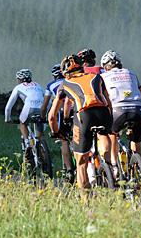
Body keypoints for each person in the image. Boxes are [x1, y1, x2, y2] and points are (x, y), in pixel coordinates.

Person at [48, 55, 112, 189]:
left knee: (81, 162)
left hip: (85, 115)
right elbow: (108, 101)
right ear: (82, 67)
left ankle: (86, 202)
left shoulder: (65, 84)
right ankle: (109, 167)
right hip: (103, 112)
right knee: (104, 134)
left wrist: (56, 132)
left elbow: (52, 116)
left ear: (65, 72)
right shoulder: (96, 77)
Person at [100, 50, 141, 177]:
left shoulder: (103, 77)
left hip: (118, 111)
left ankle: (115, 168)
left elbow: (102, 101)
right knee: (137, 148)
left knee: (112, 134)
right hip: (137, 111)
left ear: (105, 66)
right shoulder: (131, 74)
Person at [40, 64, 74, 180]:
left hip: (61, 111)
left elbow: (45, 106)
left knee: (64, 140)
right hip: (75, 109)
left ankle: (69, 170)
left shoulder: (50, 85)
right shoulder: (71, 80)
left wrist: (43, 117)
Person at [5, 69, 45, 149]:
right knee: (39, 129)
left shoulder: (18, 87)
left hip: (29, 108)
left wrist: (7, 119)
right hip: (42, 108)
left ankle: (27, 143)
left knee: (22, 123)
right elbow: (49, 101)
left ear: (19, 79)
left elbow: (8, 107)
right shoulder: (38, 85)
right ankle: (41, 147)